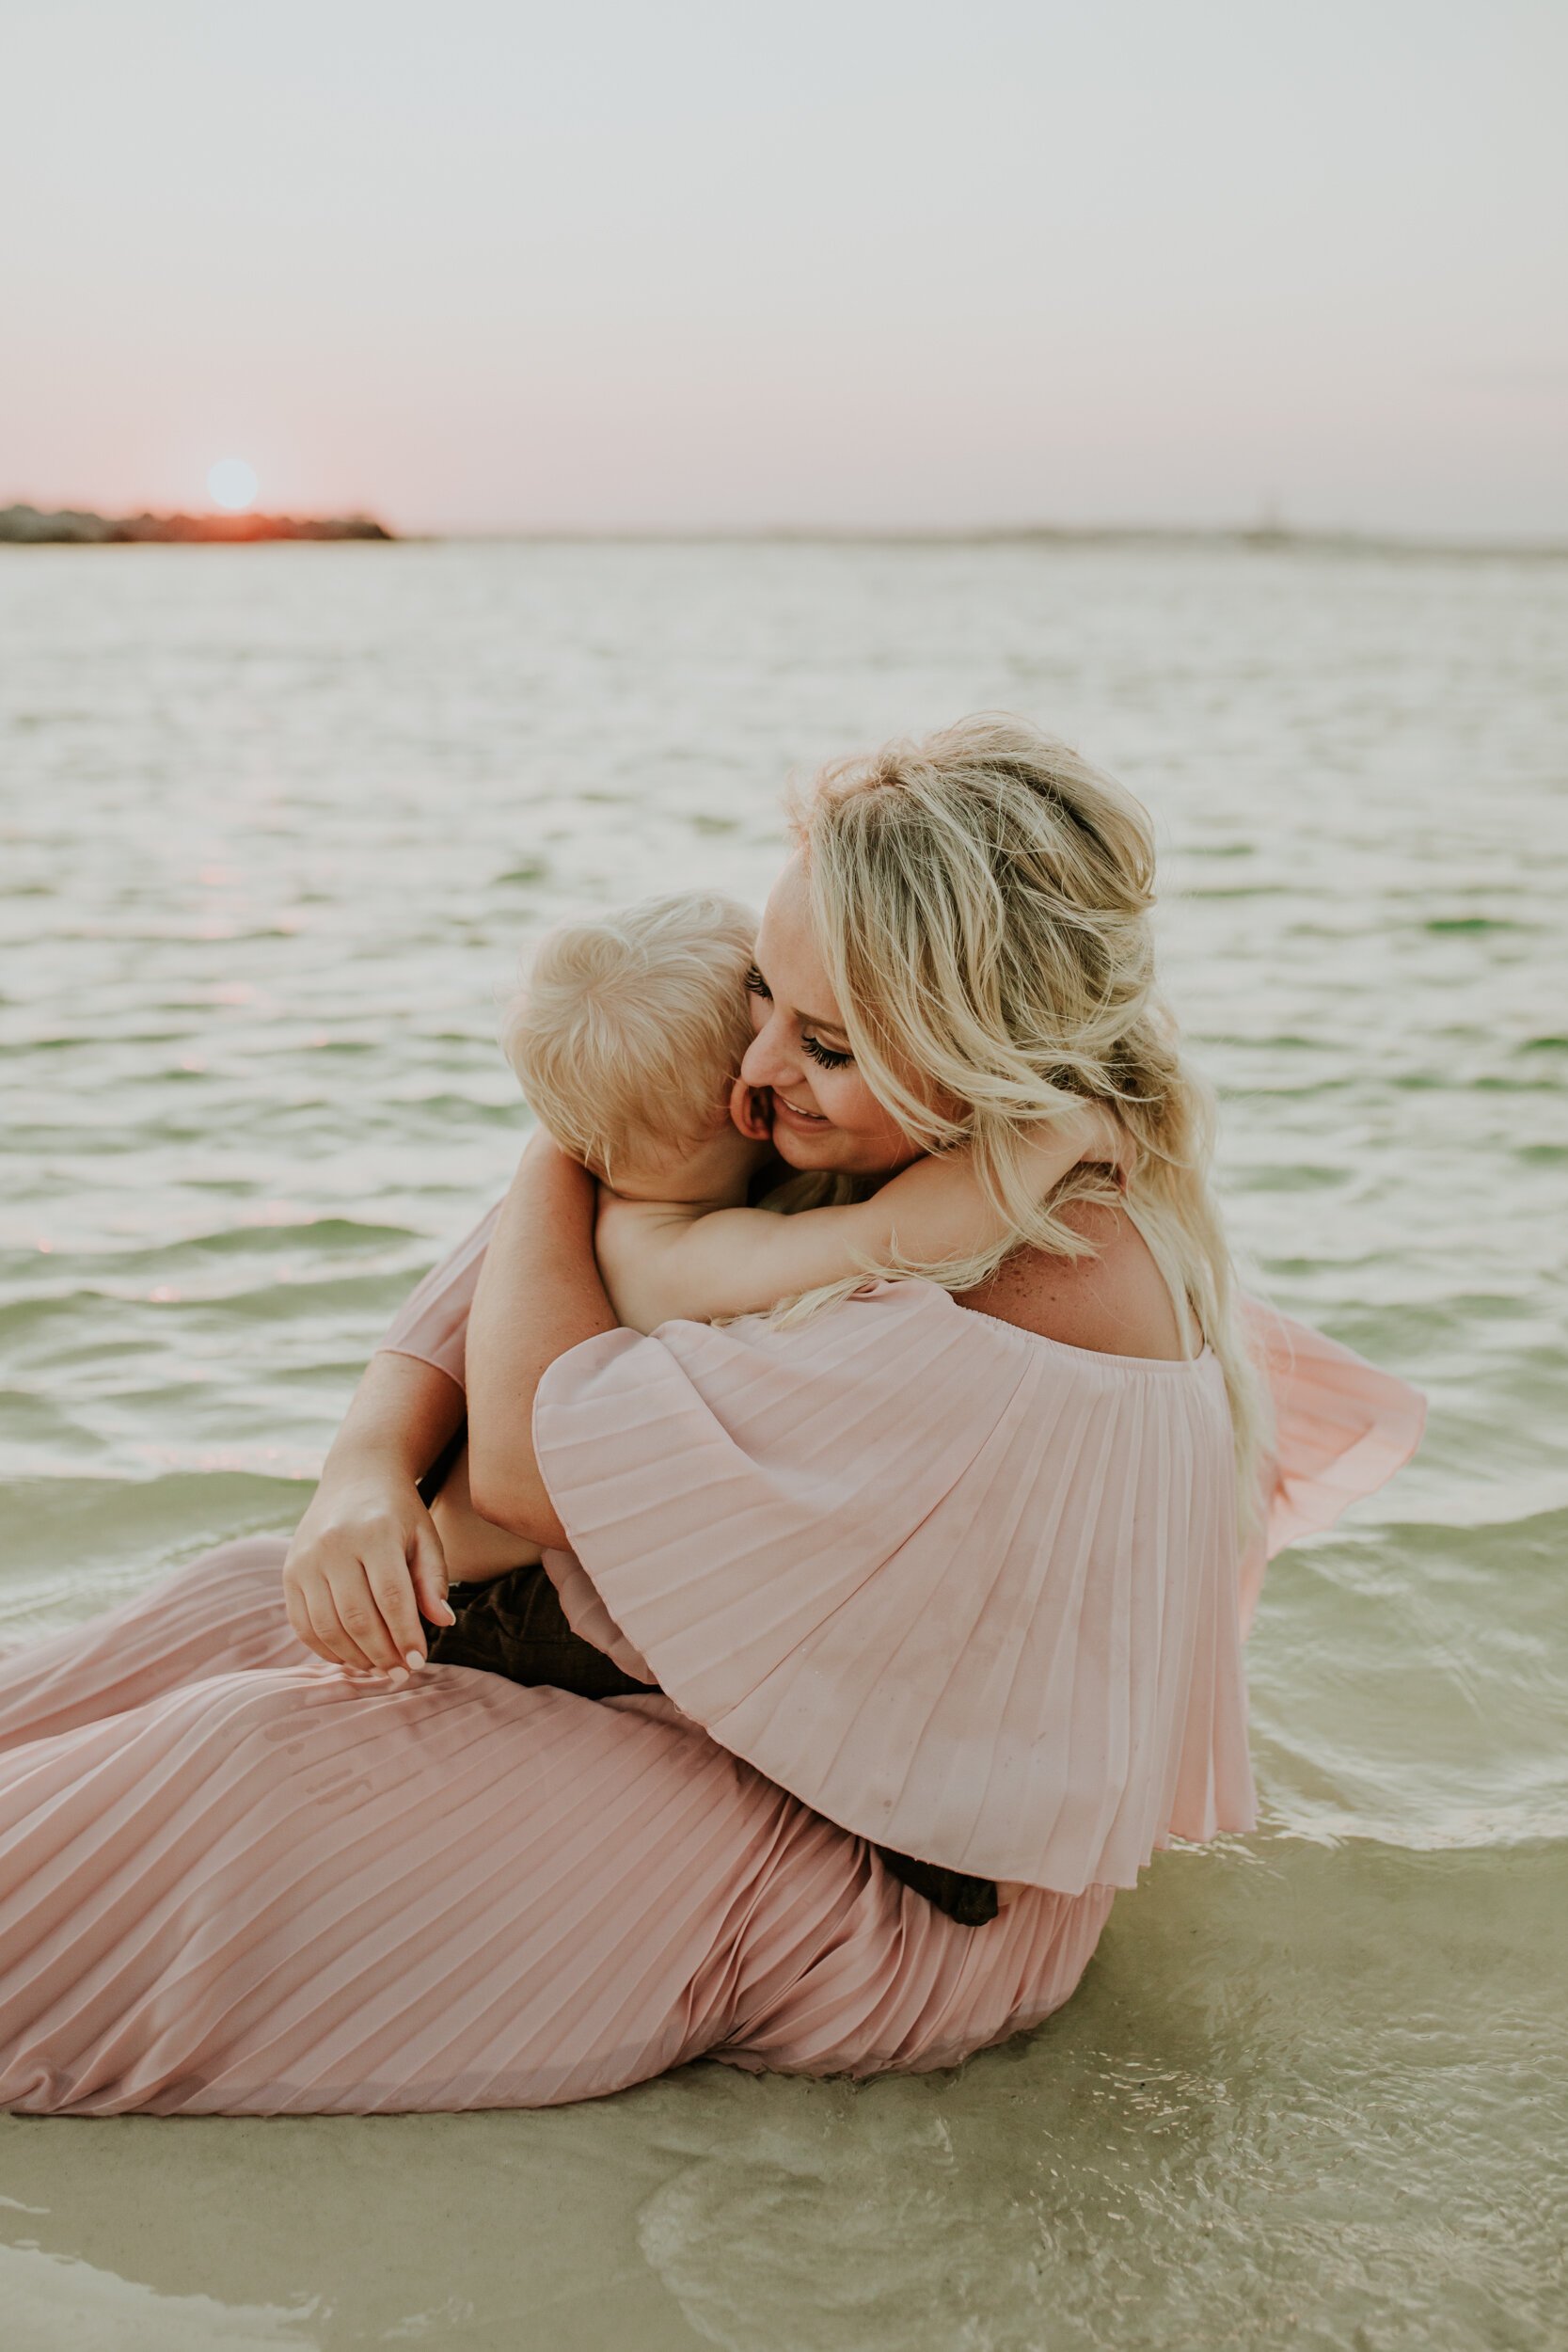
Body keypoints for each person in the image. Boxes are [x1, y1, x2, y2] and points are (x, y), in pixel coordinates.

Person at [0, 717, 1423, 2117]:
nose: (753, 1072)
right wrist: (360, 1477)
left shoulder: (1046, 1279)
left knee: (251, 1763)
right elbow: (510, 1302)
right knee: (237, 1602)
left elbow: (533, 1460)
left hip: (889, 1893)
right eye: (763, 1000)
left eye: (823, 1040)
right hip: (718, 1723)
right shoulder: (890, 1154)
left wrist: (560, 1145)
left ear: (976, 1043)